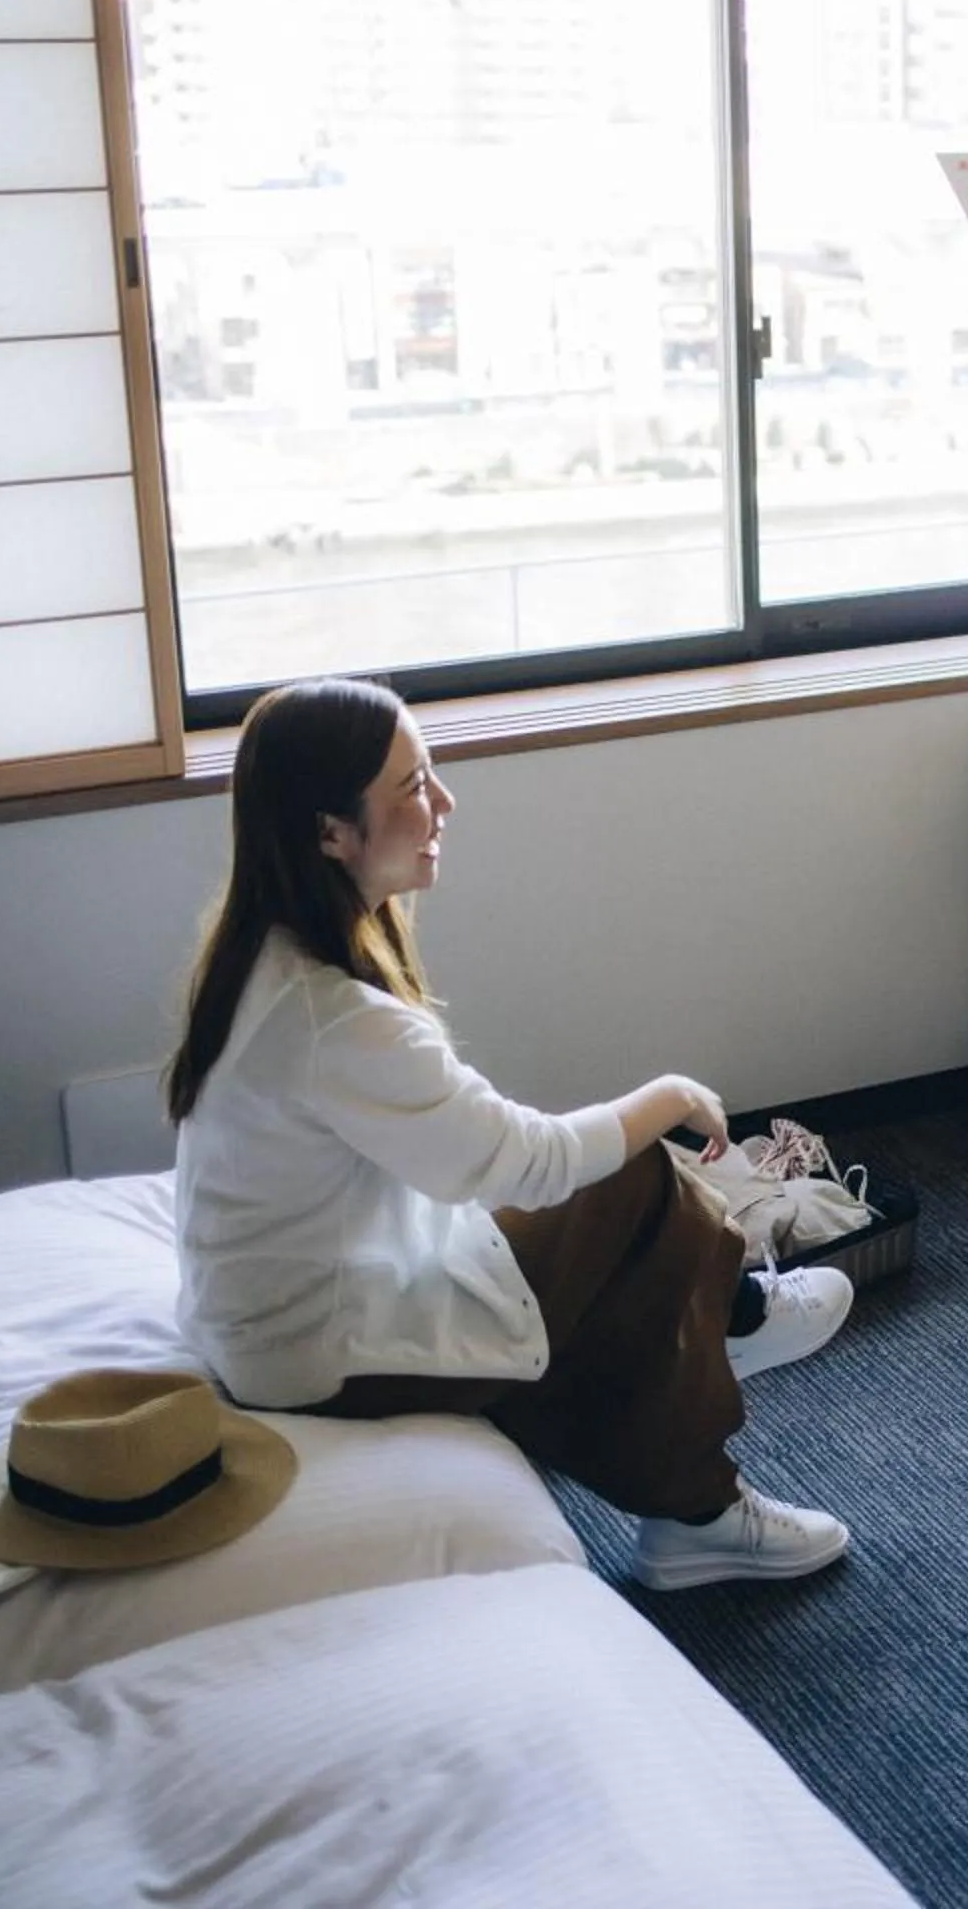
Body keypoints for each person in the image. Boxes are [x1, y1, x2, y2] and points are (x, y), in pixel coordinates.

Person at [165, 676, 854, 1590]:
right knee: (631, 1176)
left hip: (271, 1317)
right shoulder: (335, 1017)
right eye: (412, 787)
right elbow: (529, 1164)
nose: (444, 802)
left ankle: (724, 1338)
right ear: (332, 833)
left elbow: (472, 1157)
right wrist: (674, 1091)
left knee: (629, 1229)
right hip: (316, 1354)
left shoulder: (264, 954)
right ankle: (707, 1462)